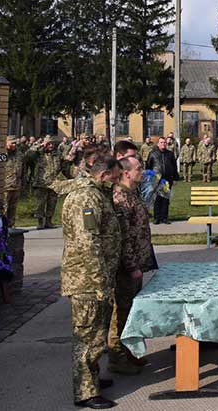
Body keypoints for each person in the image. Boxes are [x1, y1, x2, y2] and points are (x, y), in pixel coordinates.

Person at [61, 153, 121, 409]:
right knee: (88, 337)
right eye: (115, 177)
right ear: (102, 174)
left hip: (95, 278)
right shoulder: (86, 197)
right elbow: (88, 243)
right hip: (86, 280)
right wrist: (100, 281)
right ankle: (85, 392)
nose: (117, 182)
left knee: (97, 334)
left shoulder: (96, 193)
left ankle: (91, 378)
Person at [108, 155, 158, 375]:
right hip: (126, 267)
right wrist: (131, 266)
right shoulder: (120, 196)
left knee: (130, 312)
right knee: (121, 312)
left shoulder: (132, 193)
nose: (142, 171)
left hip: (137, 261)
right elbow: (124, 236)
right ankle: (117, 358)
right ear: (126, 172)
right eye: (139, 168)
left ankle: (129, 353)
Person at [146, 136, 178, 224]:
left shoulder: (170, 154)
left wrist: (175, 178)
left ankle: (164, 217)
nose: (163, 144)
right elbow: (148, 166)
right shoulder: (152, 154)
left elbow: (174, 166)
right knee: (157, 199)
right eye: (161, 142)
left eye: (164, 142)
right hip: (156, 180)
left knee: (165, 199)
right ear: (158, 144)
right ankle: (157, 218)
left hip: (167, 180)